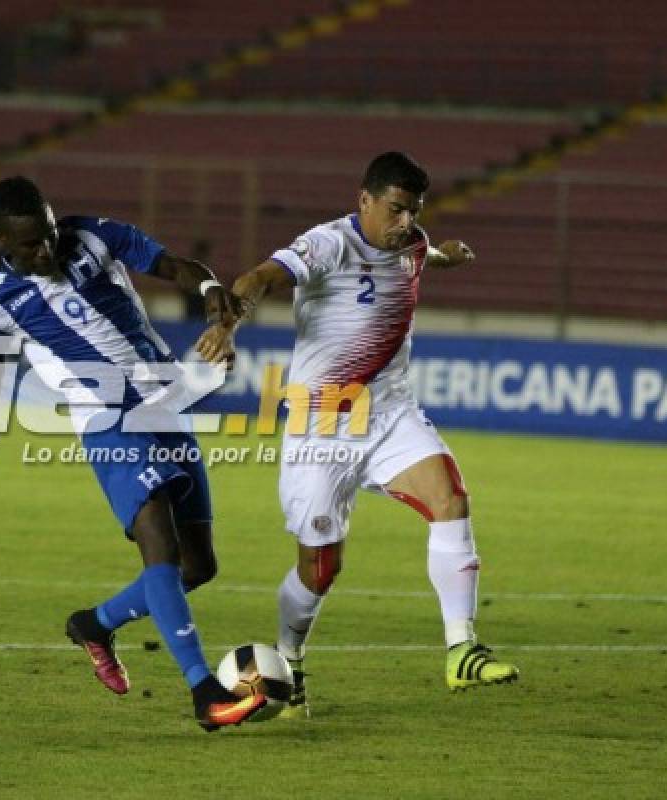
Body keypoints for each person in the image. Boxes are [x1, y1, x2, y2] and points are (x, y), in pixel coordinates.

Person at [195, 152, 520, 713]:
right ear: (364, 199)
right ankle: (290, 656)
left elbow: (426, 253)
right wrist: (227, 323)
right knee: (320, 567)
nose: (405, 223)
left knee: (450, 498)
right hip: (320, 425)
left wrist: (449, 256)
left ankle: (461, 647)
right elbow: (259, 279)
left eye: (413, 212)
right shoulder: (327, 245)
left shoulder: (413, 243)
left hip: (390, 414)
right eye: (395, 209)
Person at [0, 176, 266, 731]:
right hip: (105, 417)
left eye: (50, 235)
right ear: (1, 240)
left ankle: (96, 624)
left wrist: (208, 292)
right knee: (159, 540)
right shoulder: (1, 301)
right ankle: (204, 692)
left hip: (165, 398)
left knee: (198, 565)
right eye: (30, 244)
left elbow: (178, 266)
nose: (45, 250)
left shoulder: (94, 235)